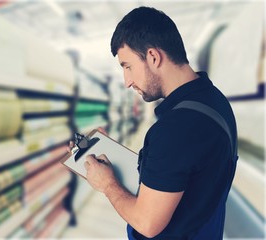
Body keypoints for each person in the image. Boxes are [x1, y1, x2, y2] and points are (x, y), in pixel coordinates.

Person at [68, 6, 238, 239]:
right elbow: (183, 171)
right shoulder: (214, 100)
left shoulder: (174, 129)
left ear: (153, 57)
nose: (127, 82)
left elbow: (147, 224)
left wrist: (107, 185)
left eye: (127, 66)